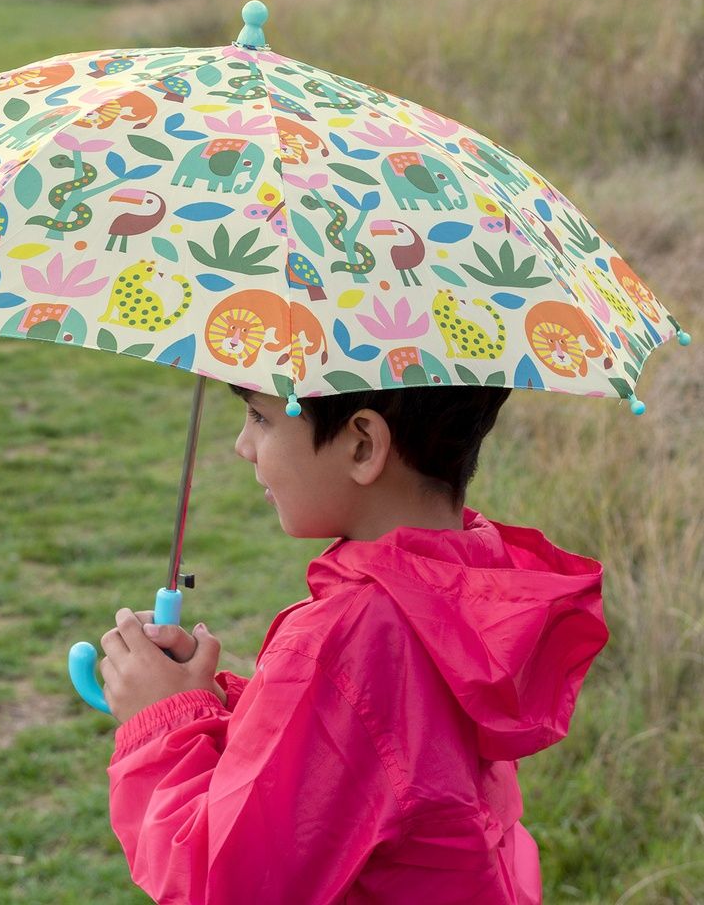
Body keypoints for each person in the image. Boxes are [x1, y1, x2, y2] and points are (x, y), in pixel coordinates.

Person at [99, 385, 608, 904]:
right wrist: (220, 703)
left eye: (260, 417)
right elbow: (367, 757)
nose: (243, 445)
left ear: (363, 445)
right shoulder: (464, 591)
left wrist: (167, 719)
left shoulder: (348, 641)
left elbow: (222, 883)